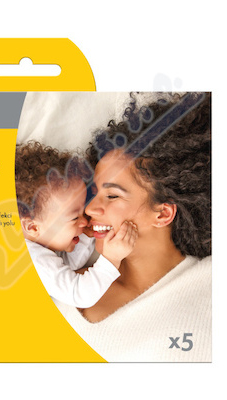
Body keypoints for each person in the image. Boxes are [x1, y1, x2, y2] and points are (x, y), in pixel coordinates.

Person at [53, 92, 211, 362]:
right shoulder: (62, 282)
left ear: (163, 213)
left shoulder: (210, 284)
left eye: (112, 196)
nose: (90, 209)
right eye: (94, 193)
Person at [15, 141, 137, 308]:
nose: (85, 221)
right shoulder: (34, 260)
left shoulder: (39, 251)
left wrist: (85, 237)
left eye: (82, 211)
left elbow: (66, 267)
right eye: (74, 217)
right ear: (33, 227)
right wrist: (111, 259)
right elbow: (78, 294)